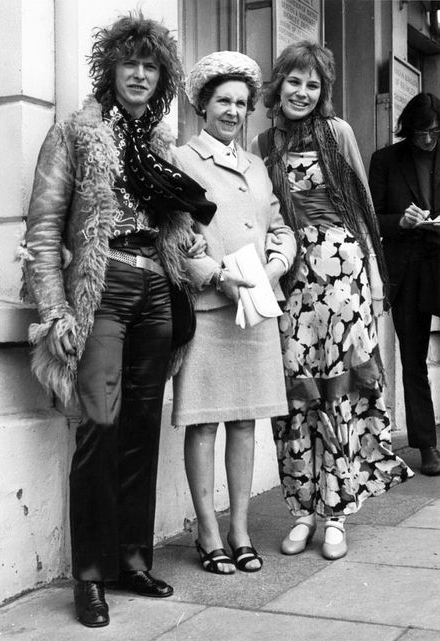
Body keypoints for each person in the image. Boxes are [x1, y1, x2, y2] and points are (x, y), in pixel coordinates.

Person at [21, 13, 216, 628]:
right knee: (100, 426)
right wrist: (54, 309)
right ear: (110, 69)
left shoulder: (157, 147)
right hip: (102, 288)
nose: (139, 73)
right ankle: (91, 574)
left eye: (150, 65)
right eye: (129, 62)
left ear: (161, 76)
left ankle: (132, 558)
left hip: (156, 287)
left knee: (140, 424)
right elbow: (45, 230)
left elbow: (175, 231)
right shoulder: (75, 133)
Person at [251, 40, 413, 561]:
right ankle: (302, 510)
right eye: (294, 81)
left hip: (344, 276)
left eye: (313, 84)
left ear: (323, 93)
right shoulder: (262, 142)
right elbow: (261, 218)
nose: (302, 92)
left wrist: (378, 282)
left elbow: (363, 207)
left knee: (341, 391)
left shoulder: (336, 132)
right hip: (290, 280)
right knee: (296, 395)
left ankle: (337, 513)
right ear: (280, 84)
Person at [172, 51, 297, 575]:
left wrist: (276, 264)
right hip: (210, 308)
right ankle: (207, 532)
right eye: (223, 100)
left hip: (256, 309)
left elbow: (281, 227)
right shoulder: (181, 160)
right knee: (203, 424)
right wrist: (213, 274)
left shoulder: (257, 167)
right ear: (203, 104)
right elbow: (175, 238)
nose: (233, 110)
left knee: (245, 423)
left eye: (242, 103)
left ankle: (240, 529)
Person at [369, 93, 440, 476]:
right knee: (413, 360)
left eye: (434, 132)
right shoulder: (385, 160)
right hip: (407, 268)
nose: (428, 140)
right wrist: (402, 221)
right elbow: (371, 218)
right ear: (407, 129)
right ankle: (426, 445)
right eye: (420, 133)